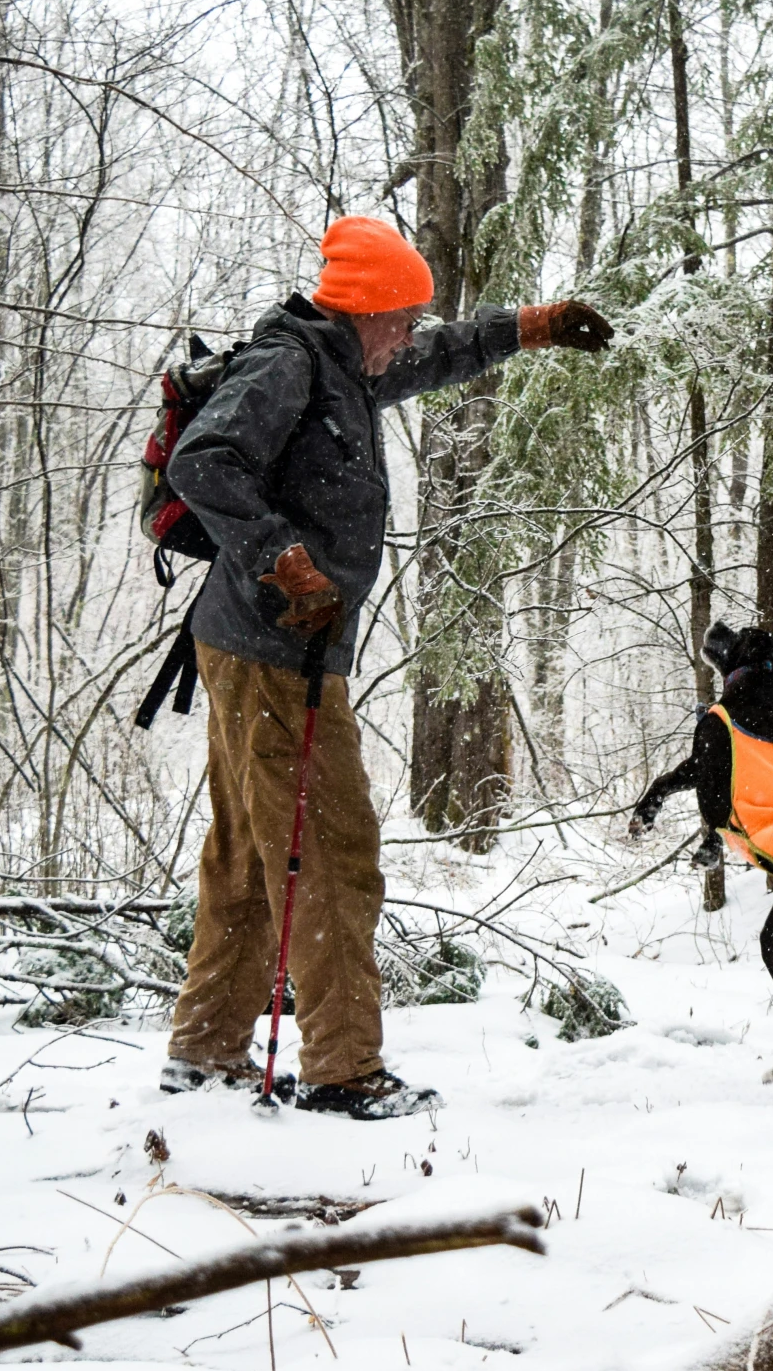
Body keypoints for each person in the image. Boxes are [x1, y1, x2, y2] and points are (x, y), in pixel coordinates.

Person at [158, 215, 612, 1117]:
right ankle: (342, 1069)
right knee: (331, 851)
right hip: (273, 646)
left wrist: (532, 325)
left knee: (251, 851)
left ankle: (205, 1049)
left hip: (275, 649)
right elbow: (200, 462)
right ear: (363, 309)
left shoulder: (349, 365)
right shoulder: (288, 366)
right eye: (399, 317)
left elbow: (438, 354)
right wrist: (280, 555)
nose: (408, 334)